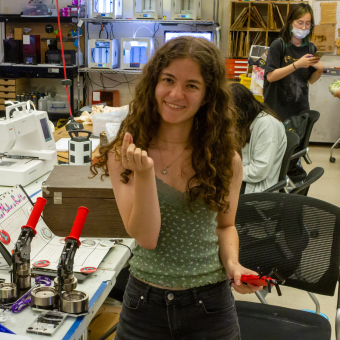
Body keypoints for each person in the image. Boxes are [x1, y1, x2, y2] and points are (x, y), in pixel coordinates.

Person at [90, 36, 262, 340]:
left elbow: (225, 225)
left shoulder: (225, 159)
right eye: (168, 80)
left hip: (210, 307)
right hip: (144, 307)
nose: (175, 93)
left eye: (192, 85)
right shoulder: (124, 154)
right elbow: (146, 237)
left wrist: (233, 264)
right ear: (153, 84)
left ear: (208, 96)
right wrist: (144, 175)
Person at [264, 3, 324, 121]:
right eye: (300, 23)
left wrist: (320, 70)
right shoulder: (278, 45)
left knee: (298, 139)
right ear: (291, 22)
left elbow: (310, 80)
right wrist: (297, 64)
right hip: (276, 110)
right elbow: (270, 76)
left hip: (300, 111)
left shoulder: (311, 49)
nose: (303, 27)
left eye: (308, 24)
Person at [230, 83, 287, 194]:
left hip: (257, 190)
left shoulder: (267, 125)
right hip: (246, 180)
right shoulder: (248, 121)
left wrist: (227, 171)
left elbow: (259, 171)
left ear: (240, 109)